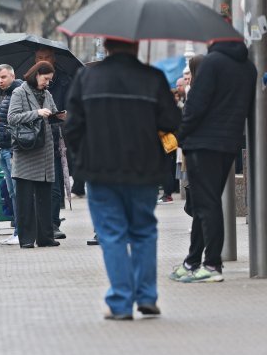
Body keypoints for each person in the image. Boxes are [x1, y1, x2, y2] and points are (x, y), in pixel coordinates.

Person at [64, 38, 181, 320]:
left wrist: (83, 159)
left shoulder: (87, 78)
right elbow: (172, 123)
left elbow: (72, 127)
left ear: (106, 46)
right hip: (143, 169)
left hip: (100, 170)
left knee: (112, 234)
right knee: (143, 231)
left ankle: (120, 301)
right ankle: (147, 296)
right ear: (137, 46)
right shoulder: (152, 77)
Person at [170, 41, 256, 283]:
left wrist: (180, 135)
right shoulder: (248, 67)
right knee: (204, 202)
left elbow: (196, 105)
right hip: (228, 143)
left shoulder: (212, 63)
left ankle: (212, 264)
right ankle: (192, 260)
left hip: (202, 142)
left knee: (206, 205)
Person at [7, 61, 61, 249]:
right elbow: (12, 118)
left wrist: (59, 116)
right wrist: (36, 113)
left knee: (45, 197)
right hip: (27, 151)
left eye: (50, 80)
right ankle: (27, 239)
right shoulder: (19, 92)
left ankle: (46, 237)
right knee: (25, 199)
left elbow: (52, 114)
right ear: (36, 74)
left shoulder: (47, 94)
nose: (47, 83)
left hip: (45, 151)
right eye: (46, 79)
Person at [34, 46, 72, 240]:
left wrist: (61, 117)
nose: (43, 60)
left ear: (54, 59)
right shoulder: (27, 86)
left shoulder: (64, 82)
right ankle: (38, 223)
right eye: (39, 58)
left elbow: (71, 107)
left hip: (56, 138)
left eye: (46, 57)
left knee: (54, 183)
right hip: (33, 141)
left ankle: (53, 222)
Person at [0, 64, 22, 245]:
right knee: (12, 193)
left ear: (12, 75)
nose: (0, 81)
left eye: (3, 77)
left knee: (17, 192)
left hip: (12, 149)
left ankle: (21, 231)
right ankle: (17, 230)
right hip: (4, 148)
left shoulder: (18, 92)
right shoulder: (6, 95)